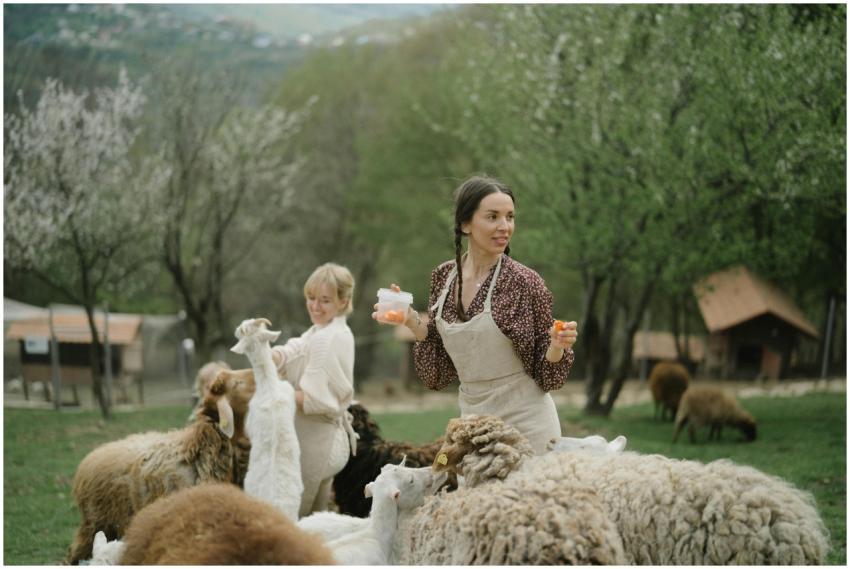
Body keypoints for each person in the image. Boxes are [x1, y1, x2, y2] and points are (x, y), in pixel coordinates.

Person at [373, 176, 578, 454]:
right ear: (464, 224)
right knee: (450, 474)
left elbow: (547, 376)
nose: (504, 226)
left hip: (528, 425)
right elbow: (438, 365)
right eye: (492, 217)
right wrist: (410, 319)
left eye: (510, 217)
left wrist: (557, 345)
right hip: (471, 425)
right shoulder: (443, 277)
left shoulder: (525, 282)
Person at [271, 262, 358, 517]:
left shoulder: (327, 339)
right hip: (326, 438)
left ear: (343, 301)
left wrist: (274, 390)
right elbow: (297, 348)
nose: (315, 306)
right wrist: (270, 355)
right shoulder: (326, 330)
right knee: (318, 518)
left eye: (325, 300)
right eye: (311, 298)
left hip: (317, 442)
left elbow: (315, 399)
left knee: (294, 516)